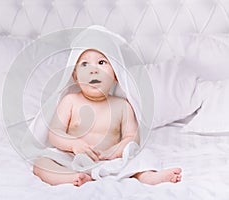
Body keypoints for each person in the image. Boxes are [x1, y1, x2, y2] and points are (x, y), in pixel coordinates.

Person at [33, 48, 182, 187]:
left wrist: (119, 149)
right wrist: (73, 144)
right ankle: (71, 177)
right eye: (84, 64)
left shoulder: (122, 106)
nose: (93, 70)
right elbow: (55, 133)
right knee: (41, 164)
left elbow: (132, 136)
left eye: (102, 62)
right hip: (72, 158)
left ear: (116, 75)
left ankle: (148, 177)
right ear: (75, 76)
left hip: (110, 160)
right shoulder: (70, 101)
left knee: (144, 156)